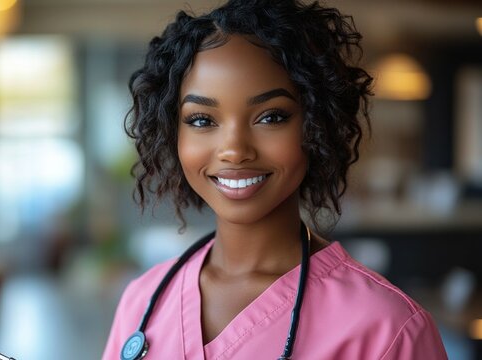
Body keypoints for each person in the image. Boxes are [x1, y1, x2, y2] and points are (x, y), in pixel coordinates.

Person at [103, 0, 448, 359]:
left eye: (271, 117)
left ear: (317, 125)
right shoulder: (143, 301)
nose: (234, 150)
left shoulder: (387, 329)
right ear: (174, 133)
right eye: (202, 120)